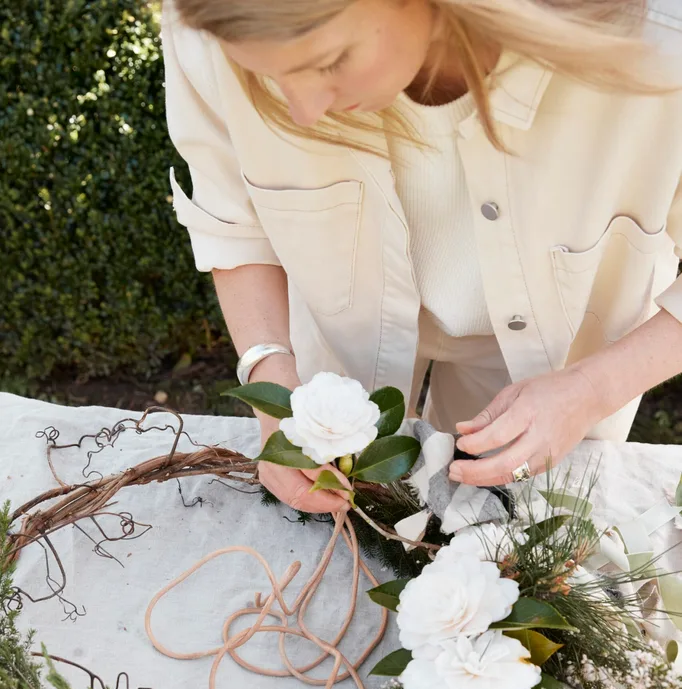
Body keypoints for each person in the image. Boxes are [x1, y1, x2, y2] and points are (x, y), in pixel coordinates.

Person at [161, 0, 682, 513]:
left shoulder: (662, 41)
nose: (303, 111)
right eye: (269, 77)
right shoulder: (209, 17)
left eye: (329, 62)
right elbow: (231, 215)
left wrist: (591, 388)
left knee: (523, 530)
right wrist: (269, 371)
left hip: (567, 347)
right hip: (340, 325)